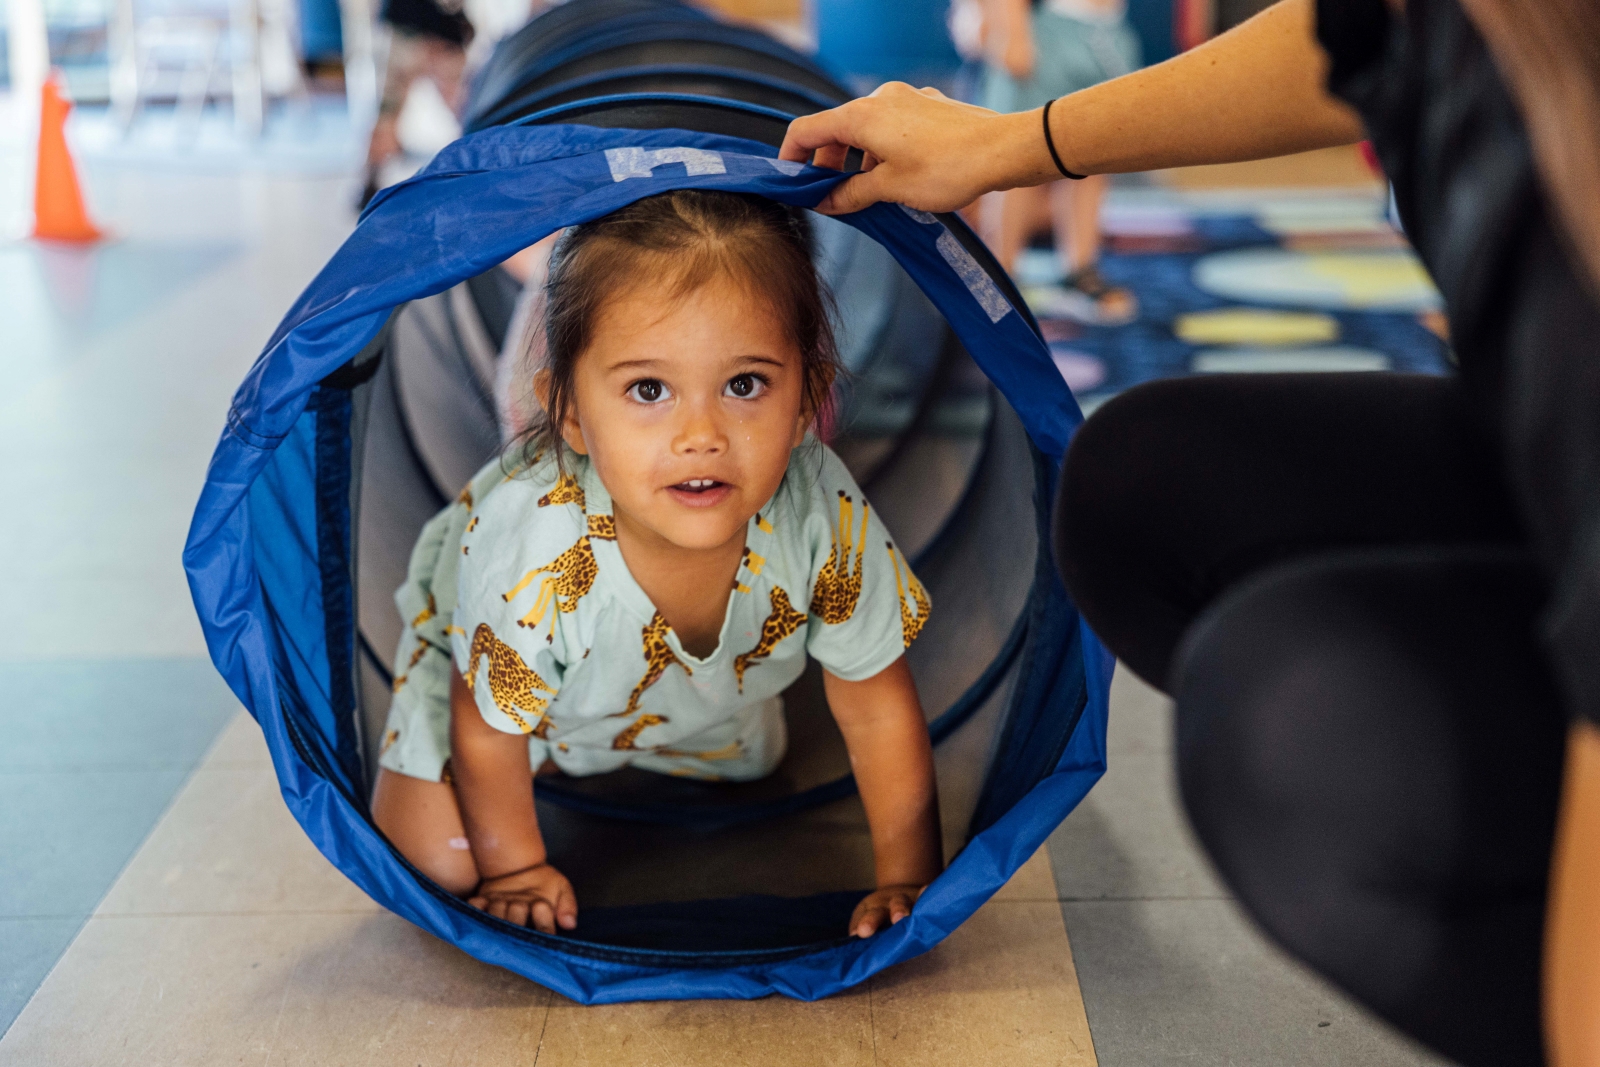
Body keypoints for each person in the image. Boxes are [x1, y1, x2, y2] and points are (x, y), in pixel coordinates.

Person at [779, 1, 1600, 1065]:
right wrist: (1005, 142)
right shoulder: (1480, 38)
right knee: (1143, 486)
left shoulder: (1553, 196)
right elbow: (1352, 35)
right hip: (1553, 458)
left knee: (1297, 731)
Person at [369, 189, 942, 940]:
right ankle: (560, 750)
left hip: (691, 693)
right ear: (568, 411)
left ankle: (682, 718)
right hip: (485, 669)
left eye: (745, 385)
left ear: (809, 399)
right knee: (437, 857)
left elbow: (875, 704)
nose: (700, 433)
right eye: (649, 389)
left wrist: (909, 878)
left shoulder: (817, 506)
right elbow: (485, 725)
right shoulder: (531, 546)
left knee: (756, 762)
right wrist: (514, 868)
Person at [979, 0, 1140, 321]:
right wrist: (1010, 28)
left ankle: (1078, 271)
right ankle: (1001, 274)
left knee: (1091, 160)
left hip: (1105, 30)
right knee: (1018, 162)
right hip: (1044, 32)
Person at [358, 0, 474, 209]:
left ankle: (369, 184)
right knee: (466, 111)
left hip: (428, 26)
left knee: (467, 109)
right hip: (415, 25)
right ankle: (370, 183)